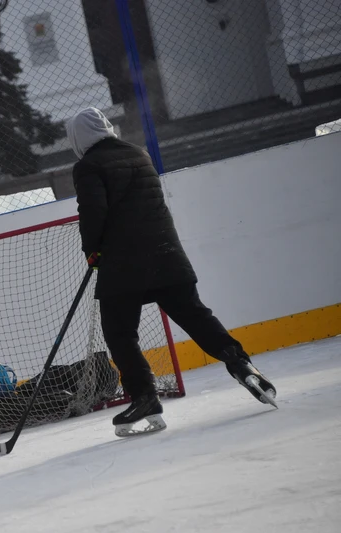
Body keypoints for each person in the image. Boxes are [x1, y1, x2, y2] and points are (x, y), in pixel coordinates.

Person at [66, 107, 277, 436]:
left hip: (124, 265)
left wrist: (91, 250)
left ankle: (145, 398)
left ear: (79, 138)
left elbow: (93, 212)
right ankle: (241, 363)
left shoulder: (88, 166)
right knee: (195, 315)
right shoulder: (140, 154)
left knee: (121, 334)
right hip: (167, 255)